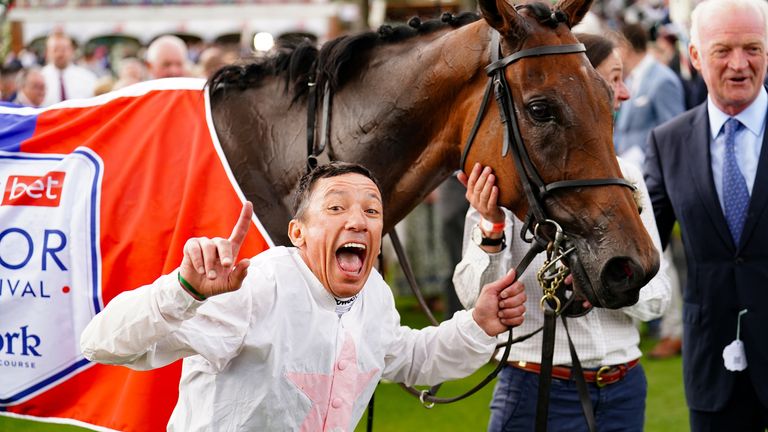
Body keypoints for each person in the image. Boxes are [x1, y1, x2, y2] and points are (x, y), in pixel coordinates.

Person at [80, 162, 528, 431]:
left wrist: (478, 324)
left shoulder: (372, 290)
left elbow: (406, 356)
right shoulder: (256, 285)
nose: (358, 221)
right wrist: (183, 291)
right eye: (336, 208)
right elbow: (99, 342)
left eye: (372, 211)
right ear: (298, 232)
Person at [453, 33, 671, 432]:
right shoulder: (512, 183)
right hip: (536, 383)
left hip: (623, 386)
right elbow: (473, 298)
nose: (621, 94)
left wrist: (607, 284)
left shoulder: (628, 178)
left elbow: (658, 297)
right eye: (612, 80)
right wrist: (491, 225)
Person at [644, 0, 768, 428]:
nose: (739, 64)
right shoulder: (667, 142)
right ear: (694, 57)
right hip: (714, 365)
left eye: (753, 48)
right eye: (723, 50)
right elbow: (645, 241)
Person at [614, 23, 685, 169]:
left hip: (651, 171)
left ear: (626, 47)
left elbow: (674, 132)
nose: (614, 53)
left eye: (617, 47)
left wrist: (641, 156)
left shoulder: (663, 80)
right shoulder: (629, 79)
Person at [40, 32, 97, 106]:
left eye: (64, 49)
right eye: (55, 50)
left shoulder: (88, 78)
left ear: (72, 51)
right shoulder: (39, 79)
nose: (60, 54)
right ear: (47, 52)